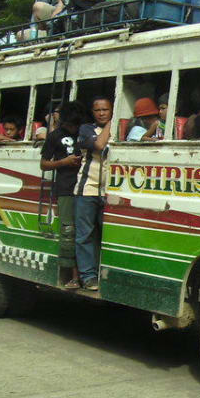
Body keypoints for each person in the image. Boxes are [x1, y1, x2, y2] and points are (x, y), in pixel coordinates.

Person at [40, 102, 85, 289]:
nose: (73, 129)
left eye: (75, 126)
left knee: (84, 232)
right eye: (70, 126)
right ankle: (72, 275)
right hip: (66, 187)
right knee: (69, 231)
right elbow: (43, 164)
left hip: (86, 187)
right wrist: (64, 162)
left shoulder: (85, 132)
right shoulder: (54, 137)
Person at [73, 96, 112, 290]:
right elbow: (99, 145)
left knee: (108, 235)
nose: (102, 113)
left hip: (110, 192)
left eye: (106, 109)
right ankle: (88, 277)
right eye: (98, 110)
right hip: (86, 189)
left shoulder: (121, 131)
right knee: (85, 236)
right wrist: (112, 124)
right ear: (93, 112)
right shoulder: (86, 130)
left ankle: (105, 274)